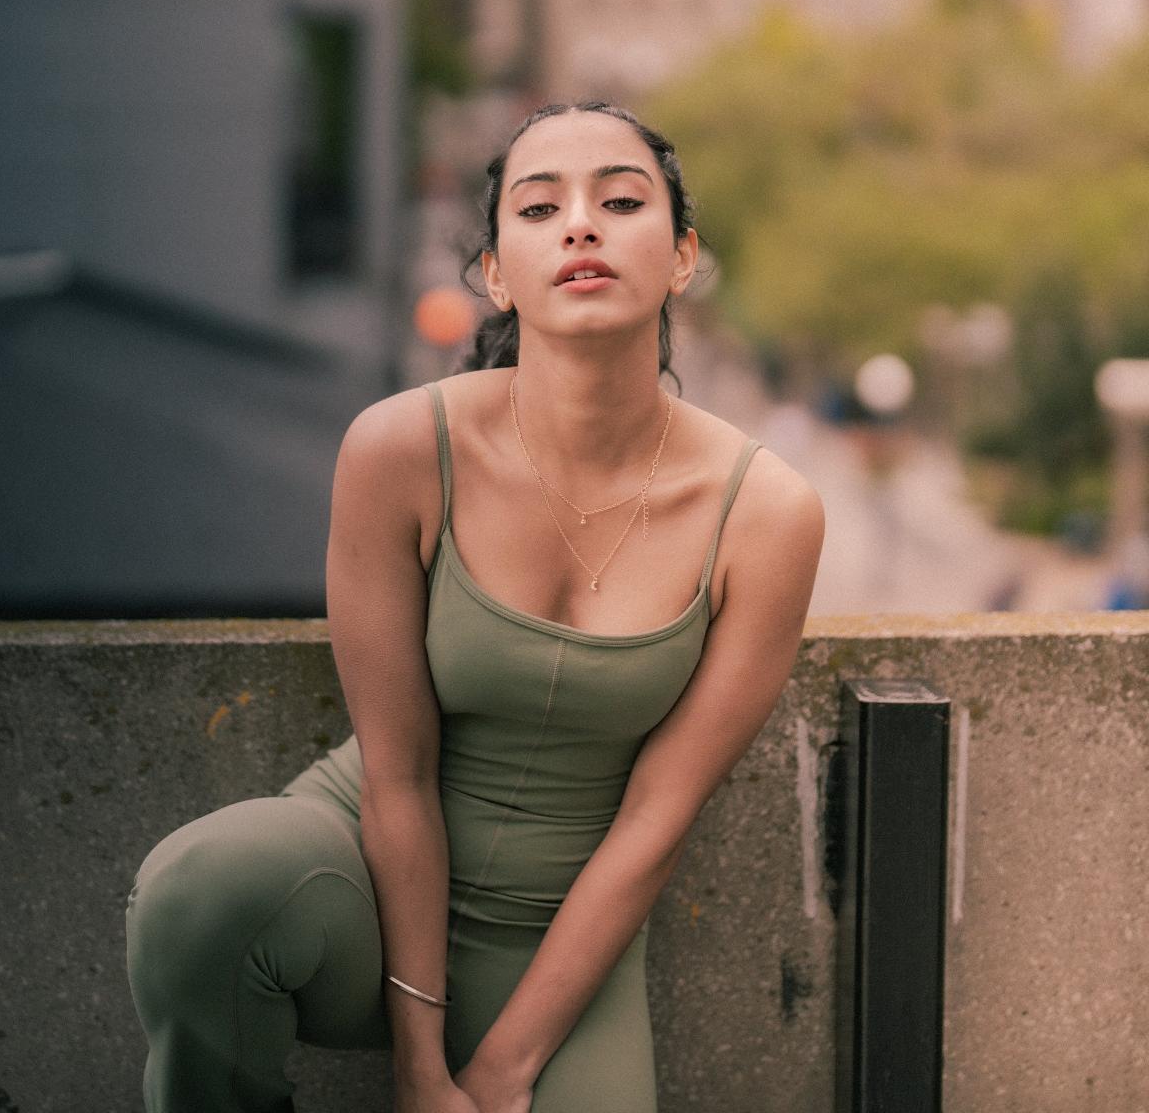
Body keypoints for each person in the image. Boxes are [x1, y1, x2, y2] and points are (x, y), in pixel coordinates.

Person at [124, 100, 825, 1113]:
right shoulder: (400, 450)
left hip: (561, 935)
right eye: (539, 209)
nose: (581, 224)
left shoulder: (767, 512)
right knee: (202, 892)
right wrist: (421, 1064)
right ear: (496, 274)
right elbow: (398, 774)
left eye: (621, 201)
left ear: (681, 257)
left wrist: (500, 1071)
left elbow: (656, 819)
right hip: (363, 877)